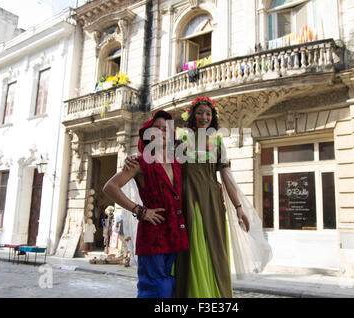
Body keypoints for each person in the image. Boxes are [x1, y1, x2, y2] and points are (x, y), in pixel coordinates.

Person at [125, 97, 272, 298]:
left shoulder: (218, 143)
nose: (204, 117)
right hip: (186, 199)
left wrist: (238, 207)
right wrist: (135, 156)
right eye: (200, 112)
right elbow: (158, 150)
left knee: (214, 250)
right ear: (192, 115)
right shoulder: (179, 139)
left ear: (213, 118)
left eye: (208, 114)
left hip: (211, 201)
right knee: (189, 251)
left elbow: (226, 175)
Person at [103, 110, 189, 298]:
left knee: (171, 285)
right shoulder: (140, 162)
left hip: (176, 233)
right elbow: (110, 187)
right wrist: (139, 210)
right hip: (153, 234)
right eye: (156, 128)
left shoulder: (178, 163)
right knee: (155, 288)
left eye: (165, 129)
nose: (161, 132)